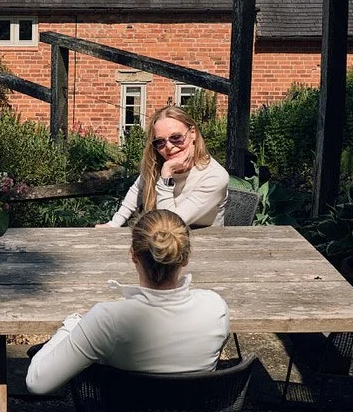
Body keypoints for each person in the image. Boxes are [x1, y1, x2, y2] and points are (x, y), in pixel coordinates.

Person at [24, 209, 229, 395]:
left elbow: (37, 383)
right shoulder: (215, 308)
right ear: (185, 258)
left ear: (133, 256)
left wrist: (72, 325)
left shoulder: (108, 320)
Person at [97, 103, 228, 228]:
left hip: (207, 243)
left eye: (176, 137)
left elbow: (169, 223)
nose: (169, 146)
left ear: (192, 133)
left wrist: (166, 177)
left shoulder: (214, 176)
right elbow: (138, 189)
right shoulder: (157, 164)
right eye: (160, 142)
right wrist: (114, 223)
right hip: (161, 242)